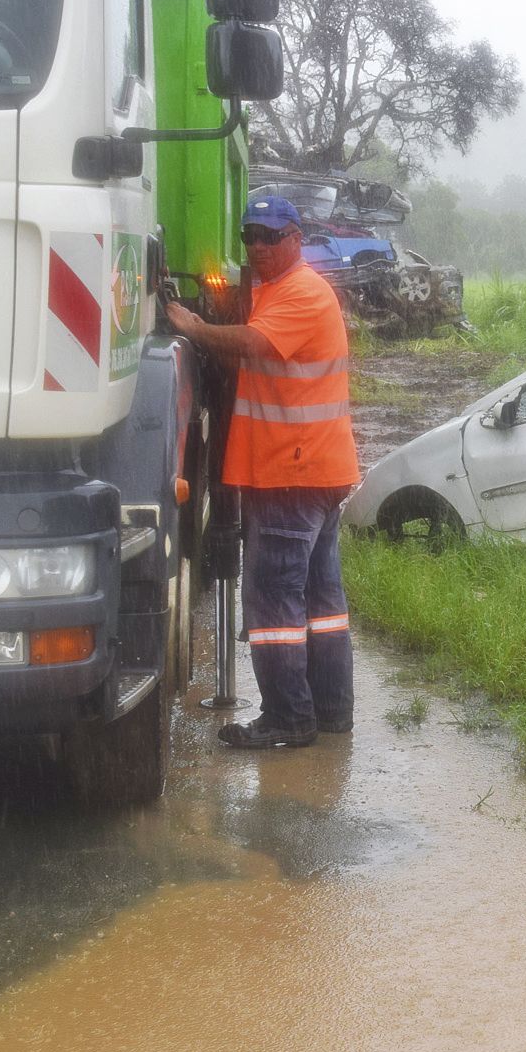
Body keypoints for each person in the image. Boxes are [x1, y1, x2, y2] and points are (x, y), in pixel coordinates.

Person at [166, 196, 361, 748]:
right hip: (313, 471)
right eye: (251, 234)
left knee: (274, 604)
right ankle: (330, 712)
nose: (258, 245)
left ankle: (287, 720)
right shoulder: (278, 293)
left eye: (271, 236)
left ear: (296, 239)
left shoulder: (299, 292)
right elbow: (258, 360)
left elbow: (253, 343)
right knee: (322, 606)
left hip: (289, 472)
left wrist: (194, 326)